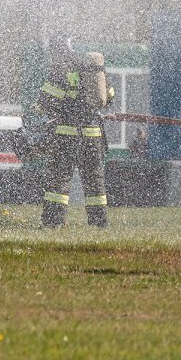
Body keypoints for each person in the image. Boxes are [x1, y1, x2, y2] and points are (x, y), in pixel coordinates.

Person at [32, 40, 114, 228]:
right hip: (93, 136)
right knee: (95, 181)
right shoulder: (92, 69)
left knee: (59, 180)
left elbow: (46, 102)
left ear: (57, 52)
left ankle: (53, 222)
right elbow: (108, 97)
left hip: (66, 136)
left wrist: (36, 109)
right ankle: (99, 223)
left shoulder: (62, 70)